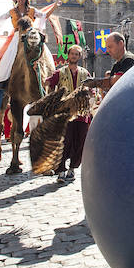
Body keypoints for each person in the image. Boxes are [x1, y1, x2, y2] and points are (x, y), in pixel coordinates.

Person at [45, 45, 92, 183]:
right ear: (68, 55)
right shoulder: (60, 72)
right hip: (65, 114)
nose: (74, 56)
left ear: (79, 57)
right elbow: (48, 83)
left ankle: (72, 168)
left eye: (77, 54)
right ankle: (61, 171)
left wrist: (91, 94)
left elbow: (91, 89)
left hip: (82, 113)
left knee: (80, 142)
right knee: (64, 142)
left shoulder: (85, 73)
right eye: (72, 53)